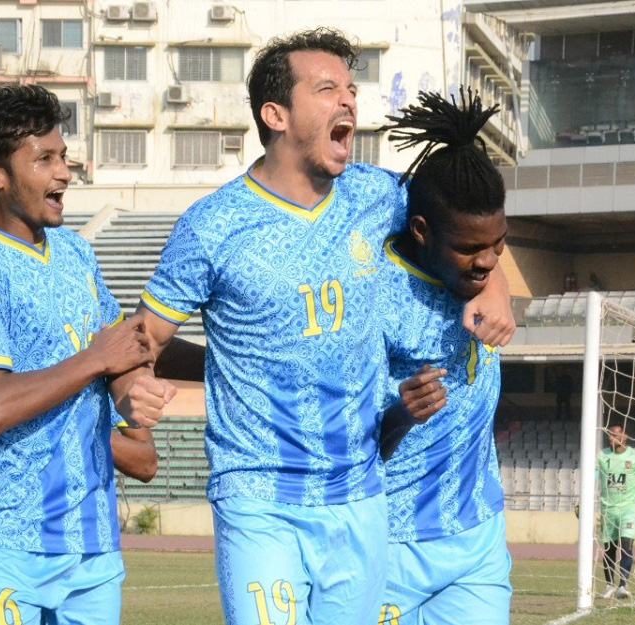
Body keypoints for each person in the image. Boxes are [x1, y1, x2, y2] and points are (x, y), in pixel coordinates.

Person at [114, 28, 514, 625]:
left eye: (351, 89)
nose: (348, 99)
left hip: (360, 495)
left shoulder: (377, 196)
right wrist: (129, 385)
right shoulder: (211, 227)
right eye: (327, 89)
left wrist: (496, 286)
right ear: (275, 114)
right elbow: (140, 339)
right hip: (259, 496)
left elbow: (465, 223)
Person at [0, 84, 183, 625]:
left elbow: (123, 346)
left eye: (63, 156)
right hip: (3, 534)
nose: (64, 172)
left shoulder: (75, 251)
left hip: (90, 539)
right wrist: (97, 361)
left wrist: (136, 387)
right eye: (44, 159)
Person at [374, 87, 512, 625]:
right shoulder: (376, 292)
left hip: (477, 537)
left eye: (498, 245)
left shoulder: (478, 272)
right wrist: (400, 413)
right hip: (390, 541)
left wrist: (495, 281)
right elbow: (343, 437)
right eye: (469, 249)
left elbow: (482, 246)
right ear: (421, 230)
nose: (486, 261)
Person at [595, 424, 635, 600]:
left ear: (624, 436)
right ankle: (609, 585)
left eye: (615, 435)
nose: (611, 438)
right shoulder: (601, 456)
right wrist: (582, 500)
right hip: (608, 509)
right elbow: (593, 478)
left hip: (628, 508)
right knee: (609, 549)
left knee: (626, 545)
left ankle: (623, 585)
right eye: (609, 435)